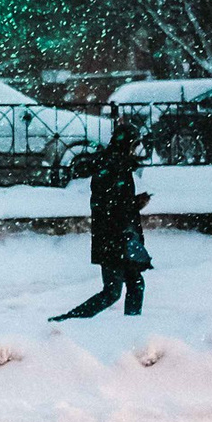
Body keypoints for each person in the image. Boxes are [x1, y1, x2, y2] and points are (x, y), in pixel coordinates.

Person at [54, 123, 149, 319]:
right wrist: (132, 206)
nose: (137, 149)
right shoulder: (112, 166)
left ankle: (131, 324)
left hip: (117, 237)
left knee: (134, 285)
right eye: (135, 144)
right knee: (113, 291)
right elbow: (107, 203)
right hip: (114, 238)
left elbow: (113, 202)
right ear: (128, 144)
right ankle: (69, 319)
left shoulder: (117, 165)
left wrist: (133, 204)